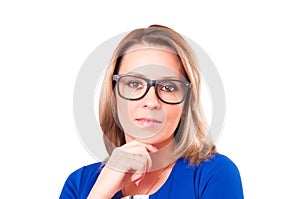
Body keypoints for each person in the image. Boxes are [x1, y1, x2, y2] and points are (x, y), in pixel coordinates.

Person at [60, 24, 244, 199]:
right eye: (134, 84)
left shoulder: (212, 174)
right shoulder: (80, 184)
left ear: (186, 101)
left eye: (169, 87)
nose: (151, 102)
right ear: (114, 94)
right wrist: (100, 193)